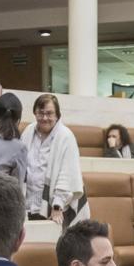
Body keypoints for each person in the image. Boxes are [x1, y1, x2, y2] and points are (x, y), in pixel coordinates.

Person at [21, 93, 88, 228]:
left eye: (49, 113)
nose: (45, 118)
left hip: (57, 209)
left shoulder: (66, 136)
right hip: (30, 205)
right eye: (41, 113)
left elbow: (66, 174)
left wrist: (58, 205)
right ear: (35, 113)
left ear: (57, 115)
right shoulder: (28, 131)